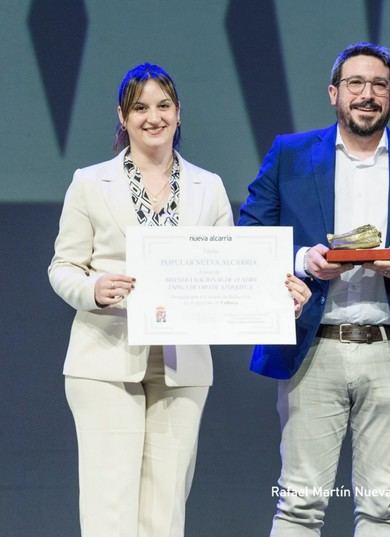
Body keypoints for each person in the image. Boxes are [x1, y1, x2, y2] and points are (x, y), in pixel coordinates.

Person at [48, 63, 310, 537]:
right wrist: (92, 290)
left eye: (163, 106)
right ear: (122, 117)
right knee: (111, 507)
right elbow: (62, 266)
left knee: (165, 511)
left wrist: (277, 299)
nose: (154, 117)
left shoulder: (206, 186)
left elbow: (231, 270)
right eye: (141, 107)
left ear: (179, 113)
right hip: (105, 359)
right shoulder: (90, 182)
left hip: (181, 365)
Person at [239, 42, 390, 536]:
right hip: (313, 348)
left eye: (379, 85)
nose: (367, 95)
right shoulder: (291, 154)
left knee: (383, 511)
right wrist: (303, 262)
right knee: (299, 507)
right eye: (355, 84)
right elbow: (249, 238)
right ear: (333, 93)